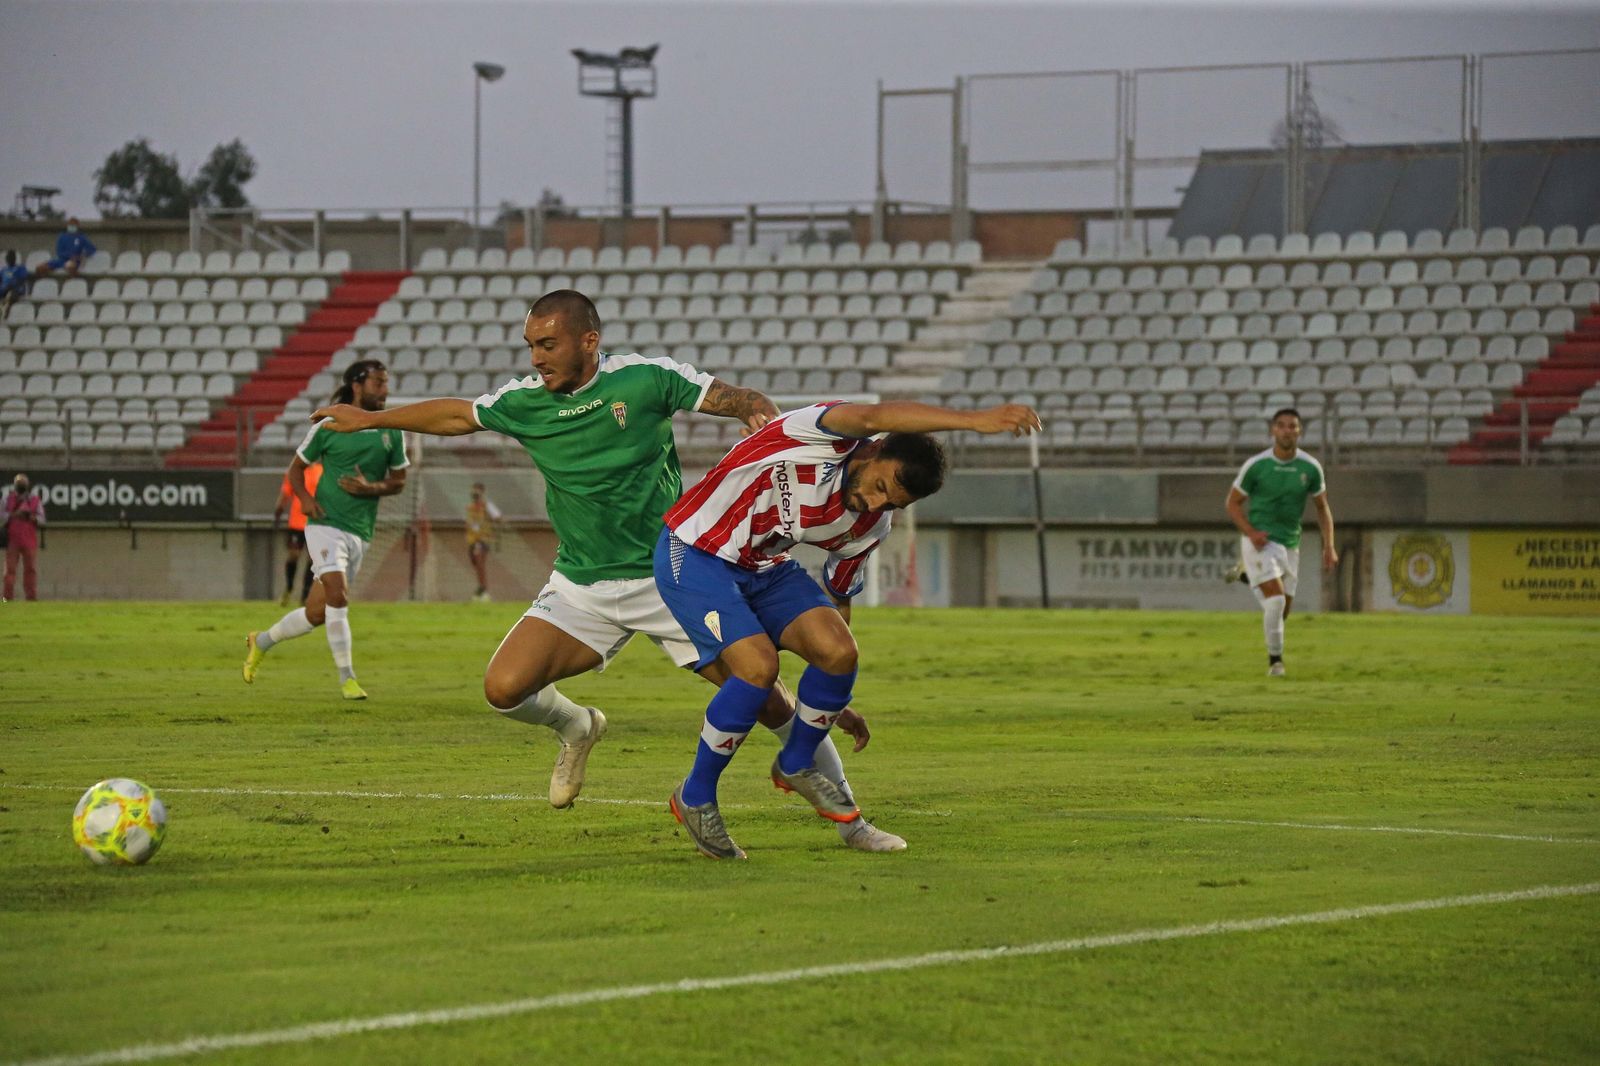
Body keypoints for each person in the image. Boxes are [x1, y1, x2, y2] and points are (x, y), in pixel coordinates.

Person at [309, 289, 906, 852]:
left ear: (588, 341)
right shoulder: (524, 402)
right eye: (530, 346)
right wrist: (368, 421)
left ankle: (853, 824)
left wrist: (767, 430)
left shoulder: (646, 380)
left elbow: (741, 401)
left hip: (671, 572)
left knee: (769, 702)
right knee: (504, 690)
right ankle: (577, 727)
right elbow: (458, 416)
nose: (536, 358)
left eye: (547, 344)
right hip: (582, 583)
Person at [655, 398, 1042, 860]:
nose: (874, 502)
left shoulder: (869, 524)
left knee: (840, 652)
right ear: (873, 450)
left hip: (763, 566)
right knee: (758, 668)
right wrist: (976, 421)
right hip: (695, 551)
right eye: (879, 485)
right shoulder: (820, 435)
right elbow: (873, 415)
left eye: (890, 502)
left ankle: (796, 763)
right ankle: (695, 796)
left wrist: (832, 697)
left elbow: (838, 599)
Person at [243, 360, 407, 699]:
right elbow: (295, 471)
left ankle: (260, 641)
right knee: (338, 594)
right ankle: (347, 679)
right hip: (324, 524)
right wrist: (303, 499)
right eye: (378, 382)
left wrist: (369, 489)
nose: (385, 390)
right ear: (358, 385)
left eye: (387, 383)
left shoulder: (392, 429)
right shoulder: (330, 426)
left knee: (318, 613)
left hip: (360, 531)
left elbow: (398, 481)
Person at [1224, 407, 1338, 677]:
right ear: (1273, 430)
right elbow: (1232, 503)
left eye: (1293, 426)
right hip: (1260, 542)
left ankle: (1245, 574)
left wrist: (1329, 546)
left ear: (1299, 431)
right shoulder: (1257, 466)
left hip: (1290, 544)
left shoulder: (1310, 467)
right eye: (1282, 426)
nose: (1288, 430)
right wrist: (1251, 532)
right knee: (1274, 603)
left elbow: (1322, 508)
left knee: (1282, 612)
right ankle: (1276, 662)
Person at [273, 461, 323, 606]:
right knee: (294, 555)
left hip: (316, 522)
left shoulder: (322, 471)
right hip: (297, 522)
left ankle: (305, 595)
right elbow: (285, 493)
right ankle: (289, 588)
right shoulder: (294, 470)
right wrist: (278, 511)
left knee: (313, 560)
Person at [3, 472, 47, 602]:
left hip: (29, 540)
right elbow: (1, 515)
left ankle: (31, 598)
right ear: (15, 485)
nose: (21, 485)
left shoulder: (34, 500)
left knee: (30, 570)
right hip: (12, 540)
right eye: (19, 483)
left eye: (23, 483)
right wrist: (14, 514)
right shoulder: (7, 499)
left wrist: (31, 517)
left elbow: (42, 519)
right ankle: (7, 598)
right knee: (9, 571)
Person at [464, 481, 502, 602]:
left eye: (477, 490)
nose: (474, 493)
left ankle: (483, 589)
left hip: (482, 539)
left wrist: (490, 522)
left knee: (480, 562)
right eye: (473, 490)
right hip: (472, 539)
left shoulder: (487, 506)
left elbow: (498, 517)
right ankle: (480, 588)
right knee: (475, 563)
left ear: (482, 492)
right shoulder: (470, 507)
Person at [0, 251, 31, 319]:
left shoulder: (20, 268)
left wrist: (13, 281)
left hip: (16, 289)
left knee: (11, 293)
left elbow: (23, 278)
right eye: (8, 258)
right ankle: (3, 307)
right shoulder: (4, 270)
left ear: (14, 259)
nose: (9, 259)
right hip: (4, 289)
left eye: (11, 258)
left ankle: (6, 309)